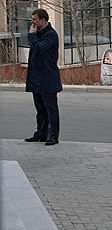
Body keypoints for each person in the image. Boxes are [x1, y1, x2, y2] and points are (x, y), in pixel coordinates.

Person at [24, 9, 62, 146]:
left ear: (43, 20)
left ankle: (53, 136)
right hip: (36, 78)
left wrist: (32, 36)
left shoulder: (51, 35)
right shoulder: (37, 34)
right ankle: (41, 134)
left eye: (35, 19)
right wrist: (33, 36)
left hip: (48, 78)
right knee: (40, 109)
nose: (32, 22)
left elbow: (40, 48)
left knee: (51, 109)